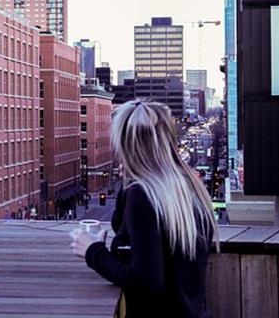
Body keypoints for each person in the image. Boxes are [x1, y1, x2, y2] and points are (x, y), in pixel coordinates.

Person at [70, 100, 219, 318]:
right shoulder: (189, 187)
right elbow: (123, 224)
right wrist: (130, 180)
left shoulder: (143, 195)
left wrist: (93, 252)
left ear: (126, 145)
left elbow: (145, 280)